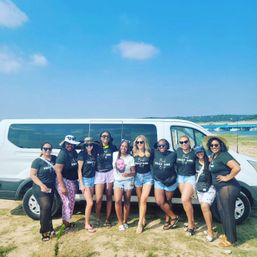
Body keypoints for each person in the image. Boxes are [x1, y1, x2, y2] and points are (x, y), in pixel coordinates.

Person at [205, 136, 241, 247]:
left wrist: (227, 177)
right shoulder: (215, 156)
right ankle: (227, 235)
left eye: (216, 145)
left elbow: (237, 167)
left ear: (221, 145)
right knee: (222, 211)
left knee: (228, 213)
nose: (214, 147)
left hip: (228, 187)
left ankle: (231, 240)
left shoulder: (224, 155)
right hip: (220, 188)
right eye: (212, 145)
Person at [30, 142, 56, 241]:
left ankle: (51, 228)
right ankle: (44, 231)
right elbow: (33, 175)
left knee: (48, 209)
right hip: (39, 187)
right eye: (45, 149)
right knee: (46, 206)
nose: (47, 150)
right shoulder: (37, 161)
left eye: (49, 149)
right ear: (42, 150)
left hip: (51, 187)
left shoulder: (54, 159)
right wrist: (41, 185)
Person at [152, 139, 179, 230]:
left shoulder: (173, 154)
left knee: (168, 201)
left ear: (167, 146)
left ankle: (168, 220)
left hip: (170, 181)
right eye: (159, 146)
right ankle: (174, 217)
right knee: (159, 201)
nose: (161, 147)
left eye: (163, 145)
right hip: (158, 181)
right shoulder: (155, 153)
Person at [55, 135, 80, 229]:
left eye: (72, 144)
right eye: (68, 143)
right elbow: (58, 170)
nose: (70, 145)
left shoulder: (73, 152)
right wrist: (62, 186)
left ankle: (67, 221)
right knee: (67, 202)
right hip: (64, 181)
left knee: (72, 202)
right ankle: (65, 224)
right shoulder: (63, 154)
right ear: (64, 143)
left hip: (72, 181)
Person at [95, 131, 117, 227]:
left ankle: (107, 219)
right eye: (103, 136)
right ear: (100, 138)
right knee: (99, 199)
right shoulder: (96, 147)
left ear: (110, 138)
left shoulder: (113, 147)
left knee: (109, 197)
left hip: (110, 173)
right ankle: (98, 218)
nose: (105, 138)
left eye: (107, 136)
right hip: (99, 173)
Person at [194, 145, 216, 242]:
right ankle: (210, 227)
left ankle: (210, 231)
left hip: (209, 188)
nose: (200, 153)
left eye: (201, 151)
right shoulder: (195, 163)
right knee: (205, 209)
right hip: (199, 189)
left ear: (204, 151)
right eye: (198, 152)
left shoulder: (210, 161)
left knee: (204, 207)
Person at [176, 135, 196, 236]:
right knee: (187, 201)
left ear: (189, 142)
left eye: (185, 141)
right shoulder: (178, 152)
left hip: (190, 178)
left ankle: (191, 226)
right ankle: (191, 221)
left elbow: (202, 160)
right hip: (180, 178)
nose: (184, 144)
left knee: (184, 199)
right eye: (181, 142)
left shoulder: (194, 153)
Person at [132, 135, 153, 234]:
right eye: (137, 142)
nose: (139, 144)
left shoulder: (149, 153)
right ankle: (143, 218)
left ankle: (140, 223)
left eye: (141, 142)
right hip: (137, 177)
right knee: (140, 200)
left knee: (144, 199)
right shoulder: (133, 153)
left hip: (148, 177)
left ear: (145, 143)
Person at [113, 140, 135, 231]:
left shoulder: (130, 158)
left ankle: (125, 221)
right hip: (117, 181)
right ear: (120, 146)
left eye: (126, 146)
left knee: (127, 202)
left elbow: (133, 172)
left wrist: (128, 174)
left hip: (128, 181)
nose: (123, 148)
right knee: (117, 200)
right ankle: (120, 222)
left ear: (128, 148)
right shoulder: (114, 155)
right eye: (122, 146)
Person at [77, 137, 97, 233]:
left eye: (91, 145)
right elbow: (79, 171)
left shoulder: (93, 154)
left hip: (92, 180)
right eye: (87, 145)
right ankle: (86, 224)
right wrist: (81, 184)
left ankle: (88, 221)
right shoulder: (82, 155)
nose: (89, 146)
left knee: (89, 203)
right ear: (84, 146)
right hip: (85, 180)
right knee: (90, 203)